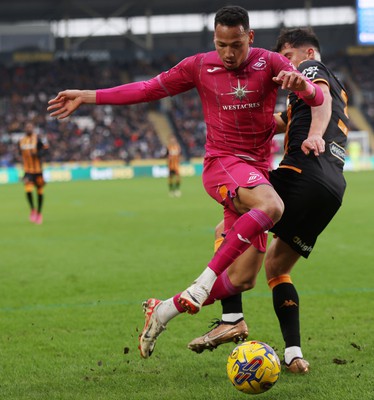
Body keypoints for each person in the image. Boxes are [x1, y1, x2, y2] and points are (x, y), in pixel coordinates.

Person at [47, 6, 325, 359]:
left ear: (250, 38)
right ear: (214, 39)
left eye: (236, 45)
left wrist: (303, 85)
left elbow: (317, 98)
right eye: (222, 44)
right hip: (222, 165)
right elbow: (149, 89)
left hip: (255, 172)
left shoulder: (270, 62)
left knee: (242, 280)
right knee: (272, 206)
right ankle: (203, 281)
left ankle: (163, 310)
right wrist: (89, 96)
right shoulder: (198, 65)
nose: (228, 53)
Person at [188, 27, 349, 374]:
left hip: (303, 173)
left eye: (286, 58)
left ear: (306, 53)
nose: (281, 68)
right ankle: (293, 355)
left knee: (227, 223)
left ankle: (231, 317)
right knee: (277, 269)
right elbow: (278, 122)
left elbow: (320, 97)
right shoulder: (328, 87)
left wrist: (316, 135)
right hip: (332, 189)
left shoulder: (310, 70)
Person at [18, 121, 49, 225]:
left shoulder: (38, 139)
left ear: (33, 128)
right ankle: (32, 210)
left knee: (39, 192)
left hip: (38, 171)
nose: (28, 128)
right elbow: (20, 154)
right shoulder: (21, 141)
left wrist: (38, 154)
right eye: (27, 127)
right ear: (25, 129)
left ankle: (39, 213)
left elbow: (45, 150)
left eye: (30, 127)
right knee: (28, 190)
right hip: (27, 171)